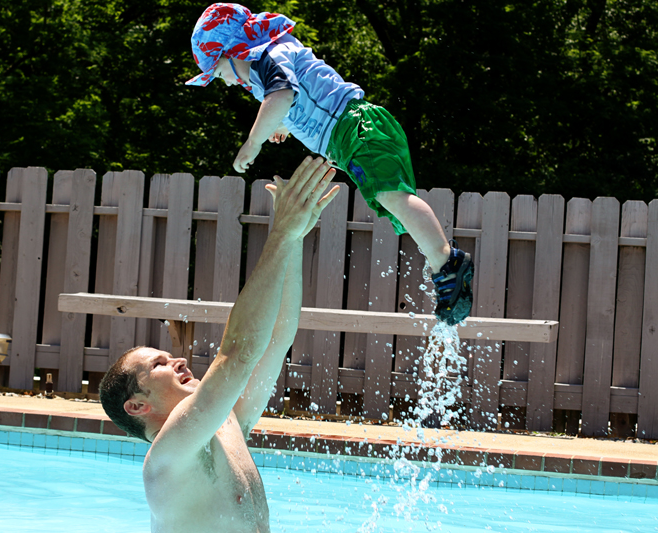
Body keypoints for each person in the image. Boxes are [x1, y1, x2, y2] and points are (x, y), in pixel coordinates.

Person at [186, 3, 474, 325]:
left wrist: (253, 142)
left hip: (356, 128)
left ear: (232, 52)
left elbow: (282, 95)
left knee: (392, 196)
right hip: (351, 135)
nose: (226, 82)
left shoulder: (270, 57)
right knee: (391, 203)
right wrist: (282, 124)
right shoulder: (269, 64)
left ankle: (448, 263)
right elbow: (299, 94)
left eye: (219, 73)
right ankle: (444, 271)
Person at [99, 156, 340, 533]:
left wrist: (294, 238)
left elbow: (276, 338)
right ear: (137, 406)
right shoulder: (167, 458)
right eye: (159, 364)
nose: (178, 361)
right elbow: (238, 355)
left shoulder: (226, 424)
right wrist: (280, 233)